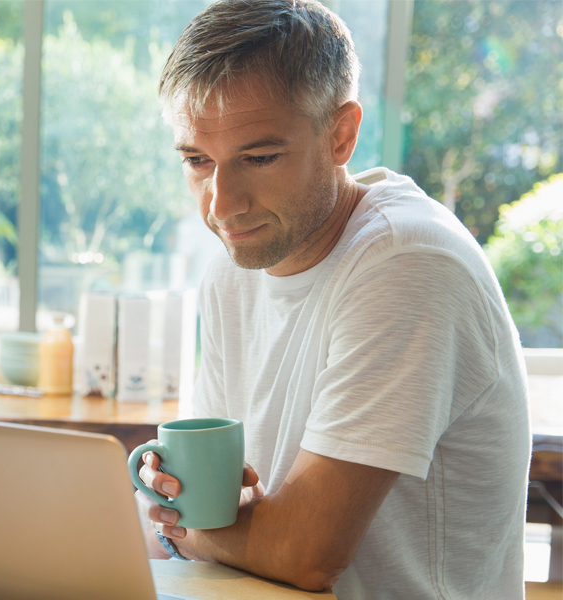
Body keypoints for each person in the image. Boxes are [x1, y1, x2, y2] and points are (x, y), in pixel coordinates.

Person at [135, 0, 531, 598]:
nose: (222, 206)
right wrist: (181, 506)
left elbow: (306, 555)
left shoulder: (409, 263)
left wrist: (184, 526)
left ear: (341, 134)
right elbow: (214, 505)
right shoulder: (235, 264)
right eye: (197, 161)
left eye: (259, 157)